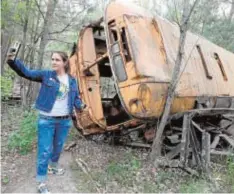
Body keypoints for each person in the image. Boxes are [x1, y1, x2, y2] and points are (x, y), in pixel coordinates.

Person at [7, 51, 86, 193]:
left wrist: (81, 105)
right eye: (52, 59)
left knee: (58, 146)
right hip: (46, 120)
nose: (54, 62)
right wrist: (13, 61)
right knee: (44, 151)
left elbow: (75, 98)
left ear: (65, 62)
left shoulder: (72, 80)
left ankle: (53, 166)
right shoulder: (46, 75)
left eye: (57, 60)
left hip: (64, 121)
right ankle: (41, 182)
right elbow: (27, 73)